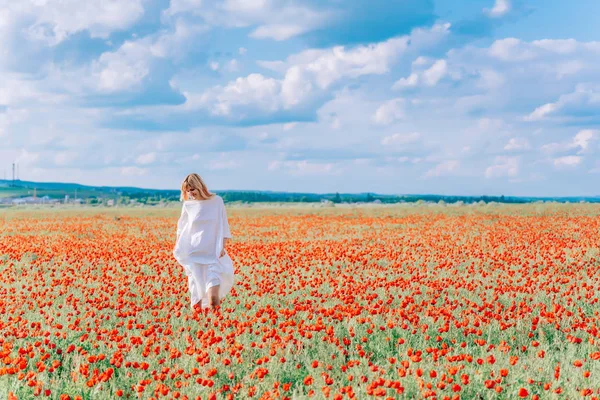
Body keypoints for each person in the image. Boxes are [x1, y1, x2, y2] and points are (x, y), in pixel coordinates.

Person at [173, 173, 235, 311]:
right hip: (194, 255)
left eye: (192, 189)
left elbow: (223, 224)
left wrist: (222, 246)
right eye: (187, 191)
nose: (190, 193)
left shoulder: (216, 201)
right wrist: (179, 247)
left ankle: (216, 327)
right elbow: (181, 228)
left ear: (199, 186)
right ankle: (201, 328)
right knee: (197, 301)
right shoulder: (188, 205)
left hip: (212, 255)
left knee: (213, 300)